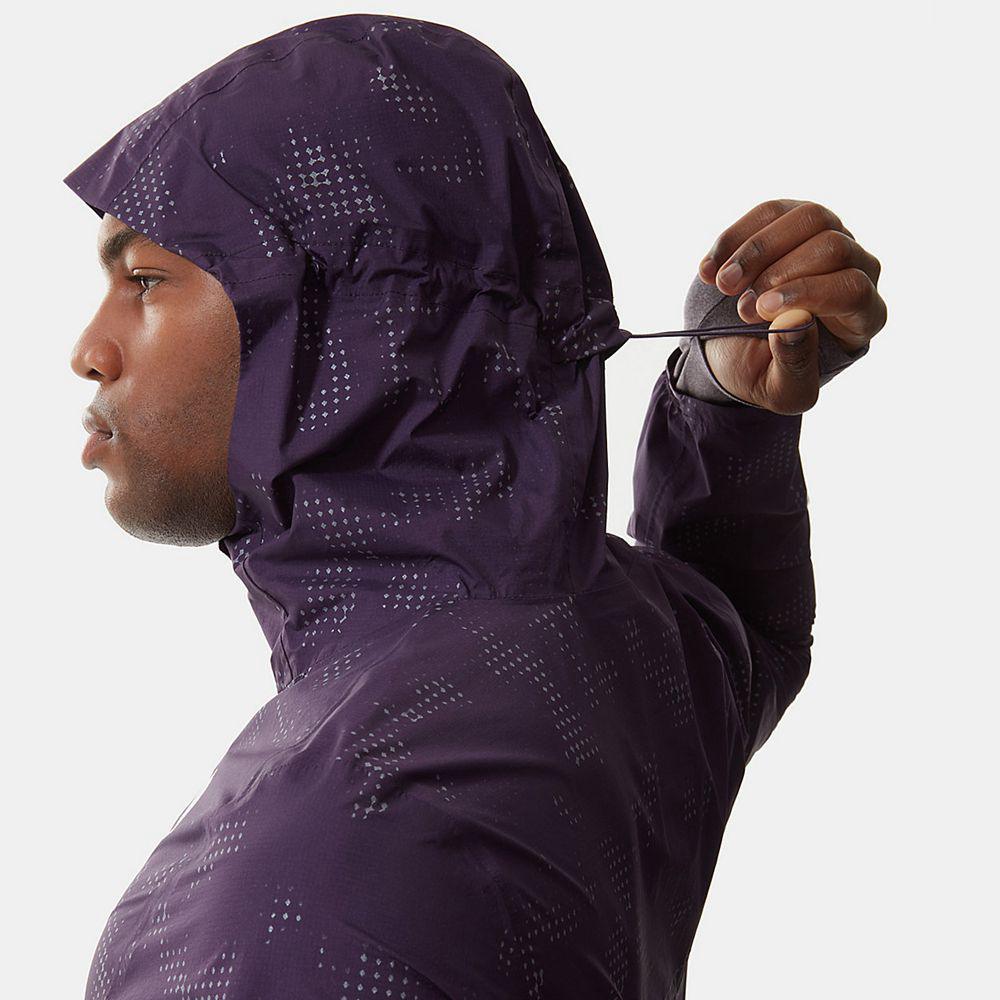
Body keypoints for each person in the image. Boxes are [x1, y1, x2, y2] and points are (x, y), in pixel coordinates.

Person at [65, 13, 885, 1000]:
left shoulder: (278, 904)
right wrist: (726, 408)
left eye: (146, 280)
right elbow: (741, 633)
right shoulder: (604, 641)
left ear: (353, 317)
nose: (89, 350)